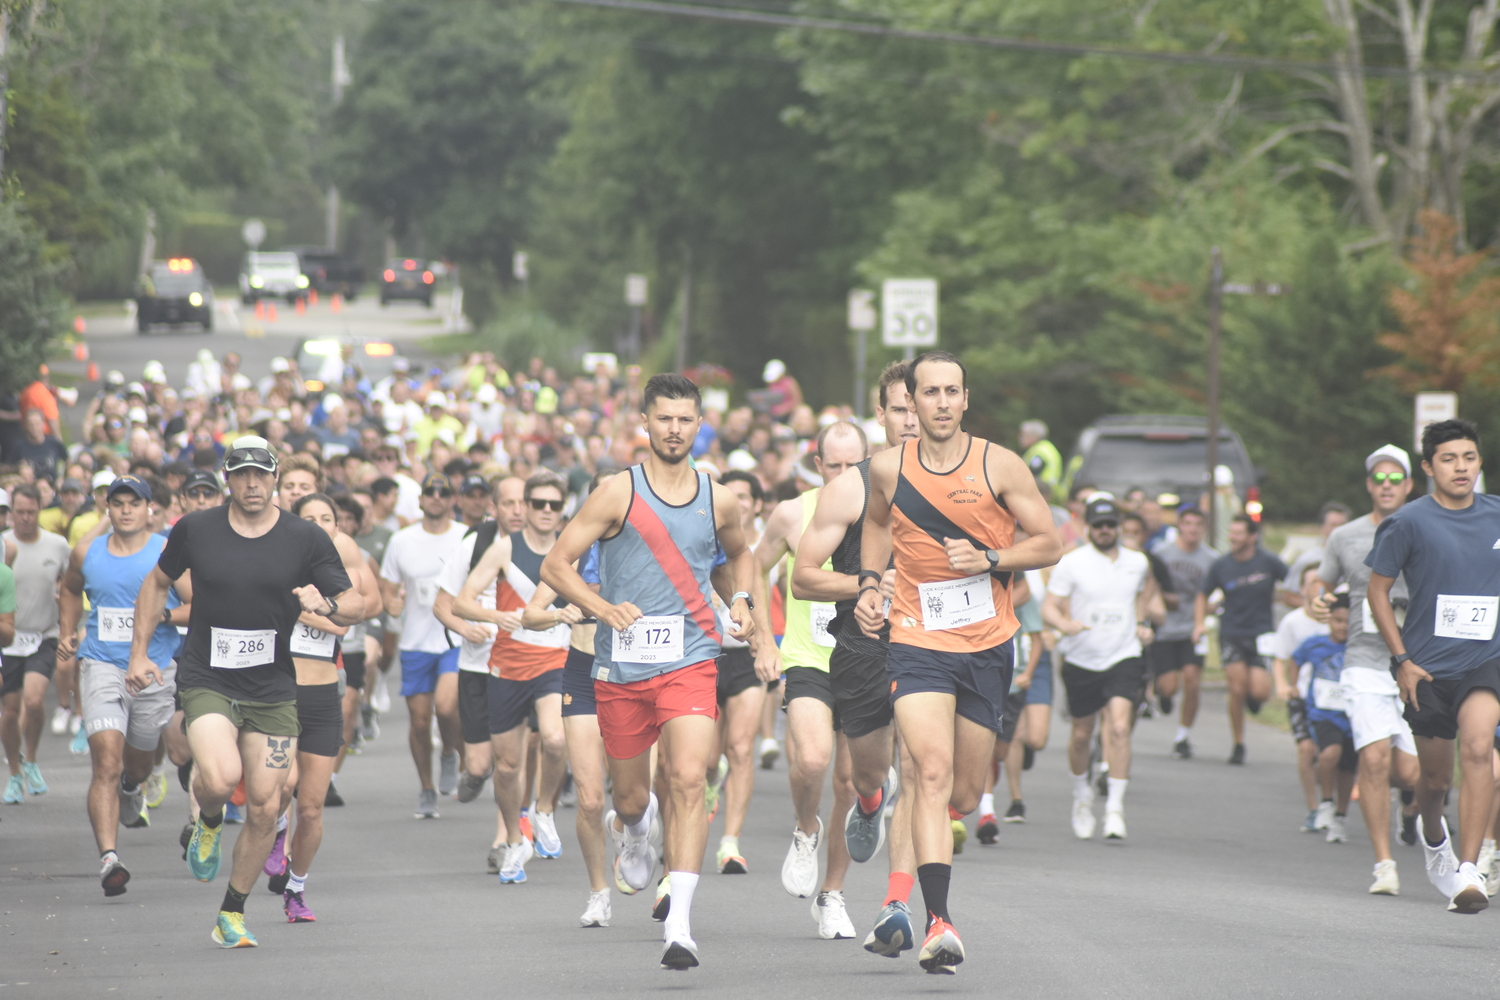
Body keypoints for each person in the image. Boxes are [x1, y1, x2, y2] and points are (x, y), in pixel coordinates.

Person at [541, 373, 759, 970]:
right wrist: (602, 608)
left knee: (690, 777)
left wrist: (740, 601)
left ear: (698, 424)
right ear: (645, 422)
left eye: (685, 419)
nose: (674, 429)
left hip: (692, 658)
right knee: (633, 797)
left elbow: (740, 553)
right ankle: (634, 829)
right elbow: (556, 563)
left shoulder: (718, 497)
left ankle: (681, 924)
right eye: (664, 418)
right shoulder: (617, 492)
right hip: (622, 666)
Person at [854, 351, 1061, 973]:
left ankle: (927, 853)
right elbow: (874, 524)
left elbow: (1049, 543)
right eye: (929, 393)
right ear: (910, 403)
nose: (941, 402)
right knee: (932, 769)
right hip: (916, 642)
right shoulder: (889, 469)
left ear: (965, 400)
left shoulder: (1000, 464)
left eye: (952, 392)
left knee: (964, 794)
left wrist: (991, 561)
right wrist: (870, 584)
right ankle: (938, 922)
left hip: (987, 646)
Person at [128, 435, 362, 948]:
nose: (252, 483)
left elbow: (358, 604)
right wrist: (139, 652)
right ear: (227, 480)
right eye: (241, 474)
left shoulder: (305, 538)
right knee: (220, 775)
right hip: (209, 677)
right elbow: (156, 582)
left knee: (265, 804)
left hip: (274, 687)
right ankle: (209, 818)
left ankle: (231, 913)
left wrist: (326, 605)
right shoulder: (195, 529)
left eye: (261, 474)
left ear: (276, 478)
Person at [790, 362, 921, 957]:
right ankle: (870, 802)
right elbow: (802, 577)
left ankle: (904, 907)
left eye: (922, 406)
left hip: (935, 647)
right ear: (883, 416)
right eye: (901, 408)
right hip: (862, 646)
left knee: (935, 777)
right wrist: (868, 585)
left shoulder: (972, 479)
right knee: (865, 777)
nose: (914, 419)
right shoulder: (854, 487)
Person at [1367, 419, 1499, 912]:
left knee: (1481, 746)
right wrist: (1401, 660)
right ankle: (1431, 830)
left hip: (1487, 661)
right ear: (1427, 468)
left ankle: (1469, 871)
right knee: (1436, 780)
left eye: (1468, 457)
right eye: (1448, 458)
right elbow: (1377, 590)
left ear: (1479, 462)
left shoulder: (1498, 516)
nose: (1460, 466)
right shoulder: (1409, 521)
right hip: (1426, 669)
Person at [755, 422, 866, 936]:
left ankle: (834, 895)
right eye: (835, 465)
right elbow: (753, 569)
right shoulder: (793, 513)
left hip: (864, 660)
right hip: (807, 658)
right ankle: (805, 829)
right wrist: (763, 637)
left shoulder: (880, 513)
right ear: (817, 465)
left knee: (849, 783)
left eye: (854, 464)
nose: (845, 474)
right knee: (813, 759)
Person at [57, 474, 186, 895]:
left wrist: (158, 617)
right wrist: (66, 631)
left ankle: (135, 786)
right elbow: (70, 590)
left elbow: (196, 604)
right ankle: (109, 858)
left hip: (153, 668)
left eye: (135, 502)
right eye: (118, 503)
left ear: (150, 509)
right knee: (106, 763)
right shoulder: (87, 552)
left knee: (137, 763)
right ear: (107, 508)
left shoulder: (166, 552)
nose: (126, 509)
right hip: (100, 663)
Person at [264, 492, 382, 922]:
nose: (318, 524)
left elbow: (354, 614)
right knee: (281, 784)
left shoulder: (340, 578)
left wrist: (314, 611)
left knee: (312, 807)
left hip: (322, 696)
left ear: (337, 526)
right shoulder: (275, 567)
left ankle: (296, 889)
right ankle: (277, 832)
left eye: (326, 518)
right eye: (308, 518)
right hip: (279, 694)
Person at [454, 471, 574, 885]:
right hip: (506, 665)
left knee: (556, 739)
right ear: (524, 505)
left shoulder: (572, 549)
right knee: (506, 767)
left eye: (553, 505)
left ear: (564, 510)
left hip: (555, 660)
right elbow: (462, 602)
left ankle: (544, 811)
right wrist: (495, 615)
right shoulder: (505, 547)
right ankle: (513, 838)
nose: (543, 511)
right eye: (535, 503)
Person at [1312, 443, 1421, 895]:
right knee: (1373, 760)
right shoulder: (1346, 536)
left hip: (1417, 665)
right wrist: (1317, 601)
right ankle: (1384, 863)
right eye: (1379, 478)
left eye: (1395, 478)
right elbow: (1320, 584)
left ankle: (1411, 807)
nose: (1386, 485)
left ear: (1410, 485)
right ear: (1368, 486)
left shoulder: (1427, 529)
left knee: (1412, 774)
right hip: (1363, 661)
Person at [1043, 495, 1154, 841]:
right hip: (1081, 657)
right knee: (1081, 734)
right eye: (1099, 525)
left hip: (1123, 654)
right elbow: (1049, 607)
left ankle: (1115, 810)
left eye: (1111, 525)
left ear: (1118, 527)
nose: (1106, 531)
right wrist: (1064, 623)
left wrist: (1143, 622)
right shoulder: (1072, 563)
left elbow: (1144, 596)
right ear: (1088, 527)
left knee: (1119, 727)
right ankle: (1081, 797)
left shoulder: (1138, 562)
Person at [432, 475, 521, 872]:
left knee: (512, 760)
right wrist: (464, 628)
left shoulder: (544, 546)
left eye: (526, 502)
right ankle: (472, 771)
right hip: (476, 666)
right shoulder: (475, 544)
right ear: (495, 508)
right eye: (510, 503)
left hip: (521, 668)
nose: (519, 511)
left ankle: (505, 838)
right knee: (484, 765)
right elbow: (442, 604)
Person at [379, 472, 468, 818]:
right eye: (429, 492)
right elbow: (387, 586)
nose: (435, 497)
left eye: (442, 493)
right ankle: (426, 788)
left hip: (454, 637)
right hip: (416, 640)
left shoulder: (464, 537)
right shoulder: (402, 540)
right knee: (418, 720)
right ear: (419, 500)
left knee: (446, 708)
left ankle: (448, 750)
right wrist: (390, 603)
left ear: (451, 500)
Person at [706, 469, 776, 882]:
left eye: (745, 496)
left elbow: (766, 598)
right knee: (707, 758)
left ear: (756, 503)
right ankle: (711, 784)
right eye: (730, 496)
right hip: (705, 654)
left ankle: (730, 842)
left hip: (744, 657)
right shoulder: (705, 539)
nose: (739, 503)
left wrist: (765, 642)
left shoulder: (763, 547)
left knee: (741, 748)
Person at [1194, 515, 1288, 765]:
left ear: (1252, 537)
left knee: (1259, 691)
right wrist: (1200, 623)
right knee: (1236, 689)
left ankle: (1254, 700)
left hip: (1261, 633)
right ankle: (1238, 743)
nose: (1232, 537)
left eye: (1238, 533)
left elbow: (1292, 581)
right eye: (1231, 533)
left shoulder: (1268, 561)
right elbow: (1202, 595)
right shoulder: (1222, 565)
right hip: (1231, 632)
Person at [1, 484, 71, 803]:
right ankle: (14, 773)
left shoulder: (57, 545)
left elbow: (72, 588)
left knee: (33, 700)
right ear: (10, 512)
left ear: (40, 510)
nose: (26, 518)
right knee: (9, 711)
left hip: (44, 634)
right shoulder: (4, 546)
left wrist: (69, 627)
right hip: (8, 639)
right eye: (20, 512)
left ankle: (31, 759)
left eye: (32, 512)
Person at [1149, 507, 1217, 758]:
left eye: (1198, 524)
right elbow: (1148, 586)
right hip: (1165, 627)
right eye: (1187, 523)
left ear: (1204, 528)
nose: (1192, 529)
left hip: (1193, 628)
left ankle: (1183, 736)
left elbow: (1218, 592)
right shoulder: (1161, 554)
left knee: (1192, 680)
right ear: (1179, 525)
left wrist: (1212, 607)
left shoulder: (1211, 559)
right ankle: (1161, 693)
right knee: (1168, 688)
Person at [1270, 565, 1332, 832]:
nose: (1317, 586)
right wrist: (1283, 684)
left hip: (1333, 698)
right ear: (1302, 589)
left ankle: (1333, 807)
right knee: (1307, 750)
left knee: (1331, 755)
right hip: (1303, 695)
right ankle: (1313, 808)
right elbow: (1279, 658)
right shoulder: (1293, 621)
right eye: (1311, 582)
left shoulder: (1340, 619)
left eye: (1322, 581)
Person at [1296, 596, 1356, 845]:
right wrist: (1291, 685)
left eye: (1347, 622)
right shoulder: (1315, 645)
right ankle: (1326, 802)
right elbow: (1294, 659)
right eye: (1338, 620)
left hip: (1352, 716)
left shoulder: (1357, 648)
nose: (1342, 626)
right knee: (1329, 753)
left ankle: (1340, 817)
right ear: (1328, 620)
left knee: (1347, 768)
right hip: (1323, 713)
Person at [1279, 502, 1352, 608]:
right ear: (1322, 528)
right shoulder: (1307, 560)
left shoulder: (1357, 558)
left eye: (1343, 525)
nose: (1339, 530)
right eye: (1333, 525)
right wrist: (1318, 608)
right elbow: (1289, 597)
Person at [1018, 420, 1063, 503]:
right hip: (1049, 493)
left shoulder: (1039, 450)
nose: (1020, 438)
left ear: (1034, 437)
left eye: (1024, 435)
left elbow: (1032, 473)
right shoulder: (1048, 448)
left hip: (1040, 492)